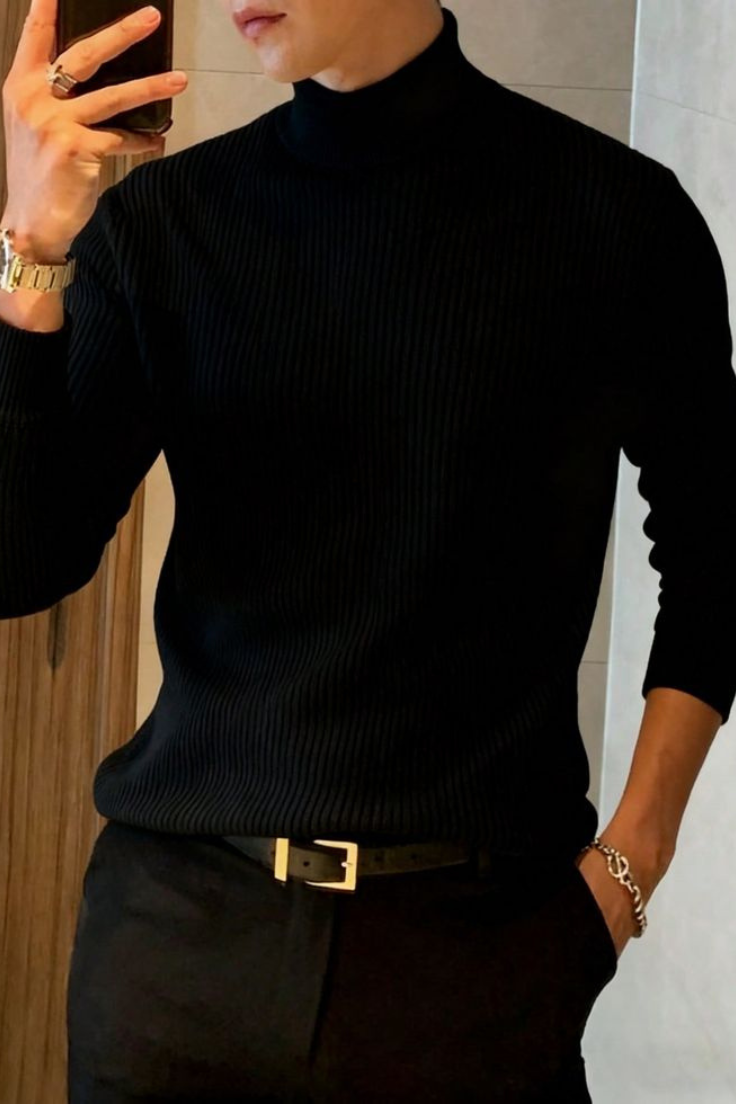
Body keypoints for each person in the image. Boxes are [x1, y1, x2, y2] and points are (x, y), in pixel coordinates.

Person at [1, 0, 735, 1099]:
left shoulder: (615, 218)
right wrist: (33, 253)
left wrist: (633, 864)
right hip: (177, 956)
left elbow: (717, 549)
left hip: (480, 963)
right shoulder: (167, 223)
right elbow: (23, 564)